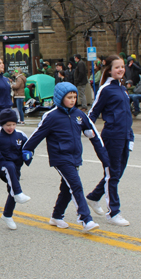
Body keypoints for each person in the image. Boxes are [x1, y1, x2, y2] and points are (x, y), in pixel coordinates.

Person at [22, 82, 109, 232]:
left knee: (67, 188)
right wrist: (27, 150)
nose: (73, 100)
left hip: (75, 156)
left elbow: (93, 135)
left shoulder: (79, 115)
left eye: (75, 97)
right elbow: (37, 134)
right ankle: (85, 219)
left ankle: (56, 216)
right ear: (60, 98)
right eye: (69, 97)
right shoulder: (51, 116)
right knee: (76, 185)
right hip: (60, 157)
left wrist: (105, 158)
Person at [86, 55, 133, 226]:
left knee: (116, 173)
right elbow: (92, 114)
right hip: (112, 136)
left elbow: (127, 115)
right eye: (117, 67)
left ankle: (93, 197)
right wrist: (91, 132)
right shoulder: (106, 89)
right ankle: (113, 212)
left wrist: (131, 137)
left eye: (122, 67)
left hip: (125, 136)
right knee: (112, 174)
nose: (121, 69)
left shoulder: (122, 88)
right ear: (110, 70)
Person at [0, 109, 31, 230]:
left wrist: (28, 155)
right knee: (10, 172)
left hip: (15, 167)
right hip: (1, 166)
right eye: (8, 125)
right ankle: (18, 193)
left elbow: (28, 147)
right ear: (2, 124)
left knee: (13, 186)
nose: (11, 127)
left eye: (13, 124)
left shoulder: (21, 135)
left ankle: (7, 214)